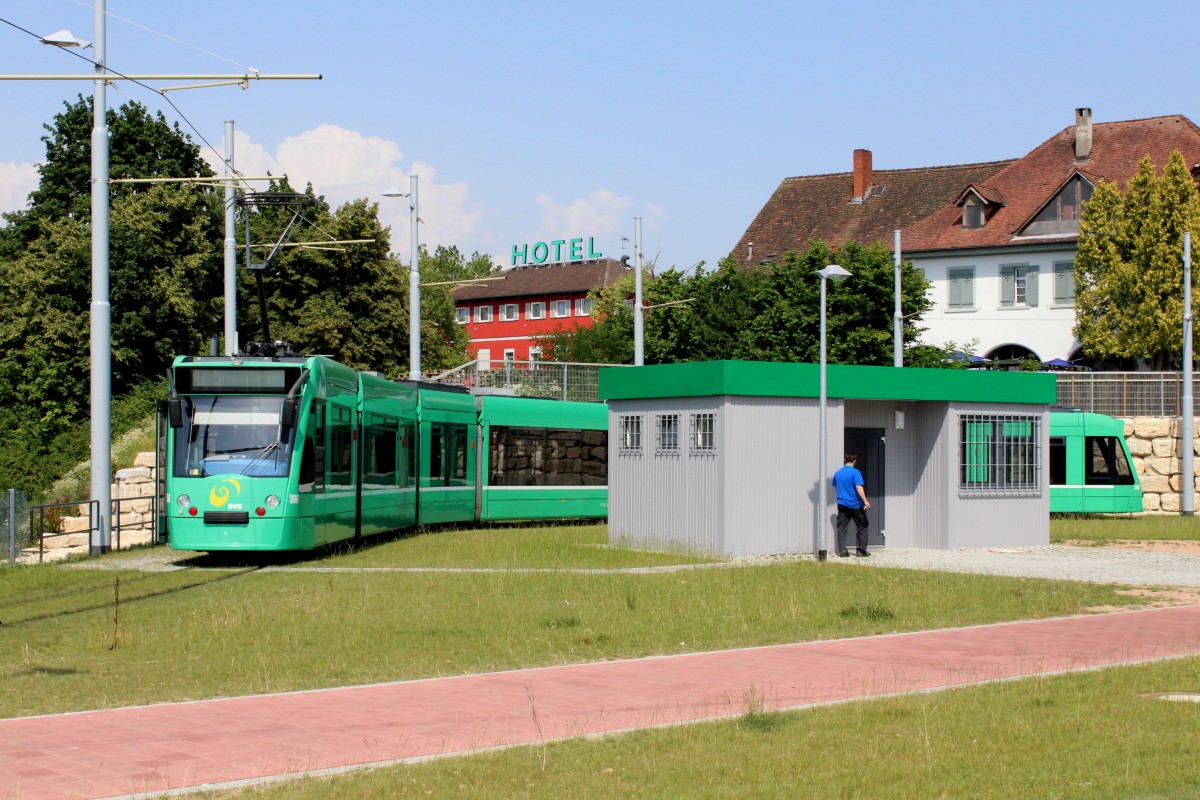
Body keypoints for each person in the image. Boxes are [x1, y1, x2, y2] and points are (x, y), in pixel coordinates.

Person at [832, 452, 871, 557]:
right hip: (854, 504)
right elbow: (859, 487)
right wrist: (865, 501)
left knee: (842, 527)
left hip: (842, 504)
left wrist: (840, 497)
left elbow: (835, 487)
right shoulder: (855, 472)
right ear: (854, 461)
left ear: (845, 460)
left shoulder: (838, 473)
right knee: (863, 525)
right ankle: (861, 551)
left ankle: (842, 551)